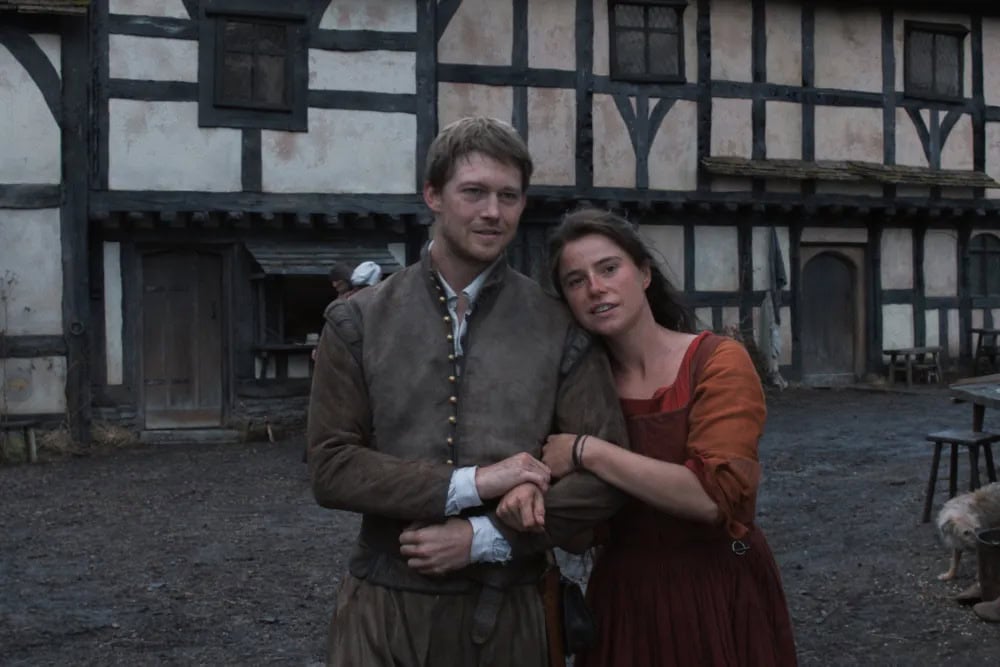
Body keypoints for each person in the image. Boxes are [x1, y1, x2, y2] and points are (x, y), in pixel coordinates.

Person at [307, 117, 628, 667]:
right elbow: (331, 466)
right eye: (474, 192)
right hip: (382, 614)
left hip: (511, 611)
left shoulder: (558, 326)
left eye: (509, 196)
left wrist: (485, 537)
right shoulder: (357, 321)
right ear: (433, 195)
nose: (493, 212)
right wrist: (472, 483)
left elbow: (607, 476)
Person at [501, 208, 797, 666]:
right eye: (576, 281)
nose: (595, 288)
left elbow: (711, 499)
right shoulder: (575, 391)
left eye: (609, 268)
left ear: (643, 274)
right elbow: (578, 535)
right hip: (625, 597)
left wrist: (586, 451)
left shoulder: (718, 362)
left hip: (717, 588)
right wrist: (528, 489)